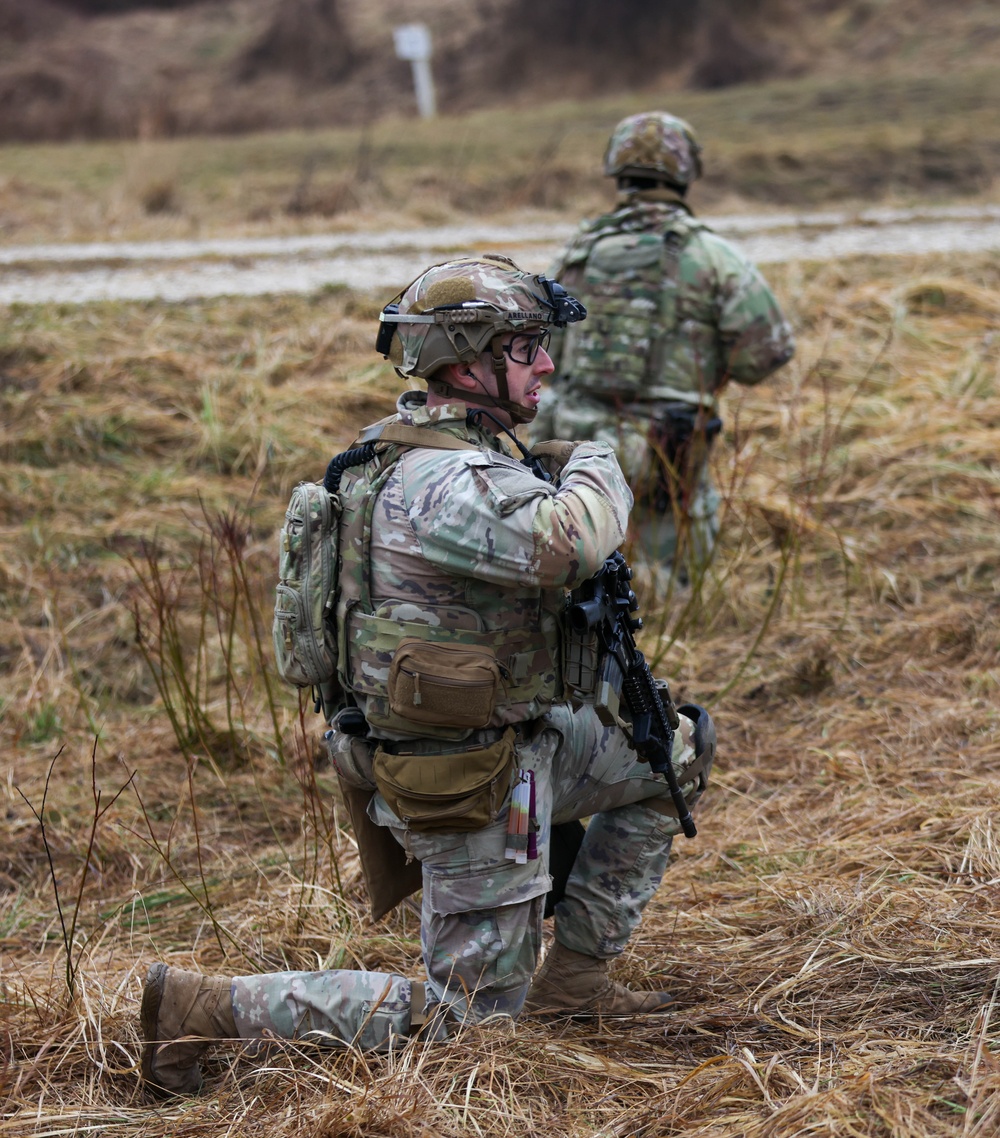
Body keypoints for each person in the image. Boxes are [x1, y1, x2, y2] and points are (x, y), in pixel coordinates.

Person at [139, 255, 715, 1098]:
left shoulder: (432, 451)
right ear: (467, 359)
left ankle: (574, 996)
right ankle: (204, 1006)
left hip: (518, 743)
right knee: (467, 1023)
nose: (547, 365)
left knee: (673, 753)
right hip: (468, 774)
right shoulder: (443, 478)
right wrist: (596, 462)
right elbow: (569, 542)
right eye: (526, 347)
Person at [534, 111, 795, 584]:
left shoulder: (577, 252)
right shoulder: (713, 257)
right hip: (666, 453)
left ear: (616, 168)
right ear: (686, 170)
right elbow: (765, 356)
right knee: (673, 580)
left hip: (573, 447)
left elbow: (541, 350)